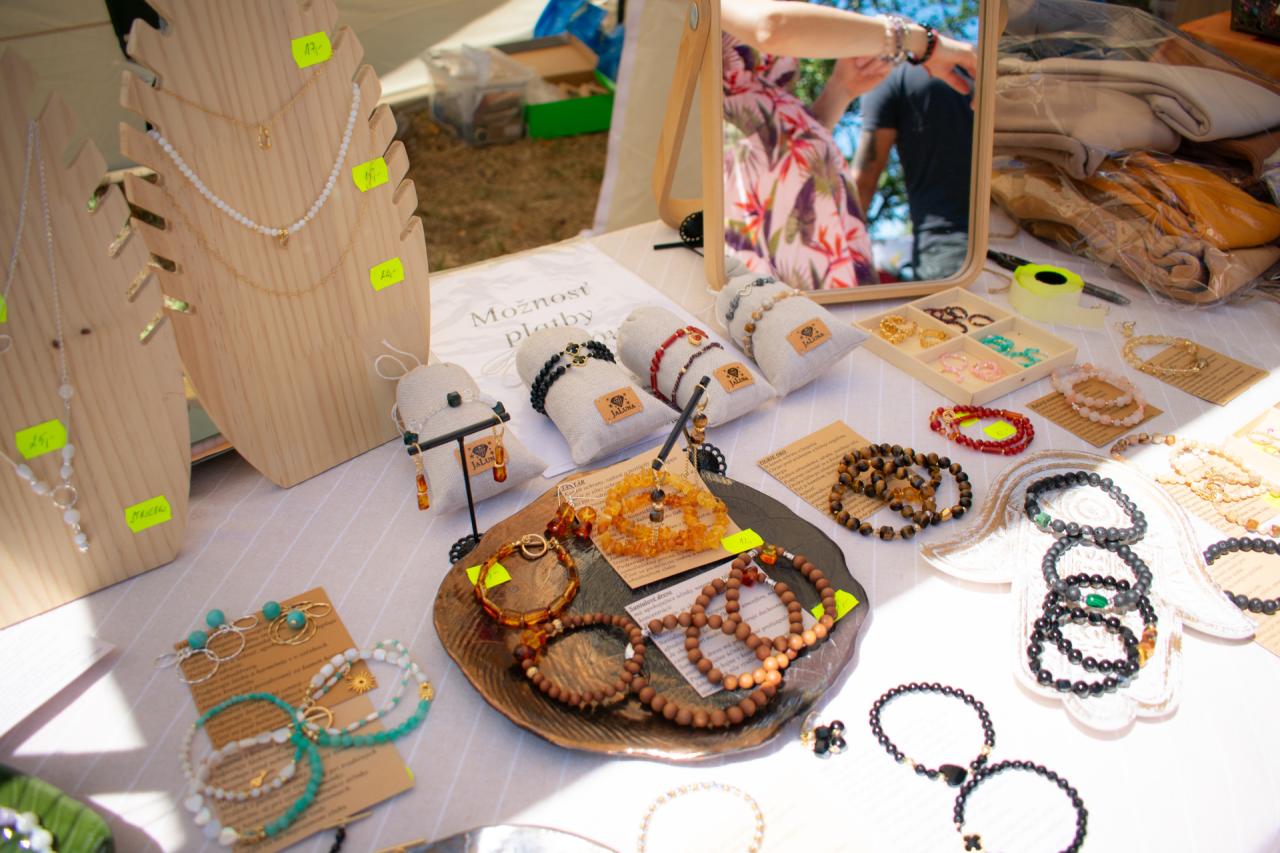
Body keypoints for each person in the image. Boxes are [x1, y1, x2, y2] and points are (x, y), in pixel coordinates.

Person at [721, 0, 977, 289]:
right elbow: (770, 27)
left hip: (805, 215)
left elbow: (771, 129)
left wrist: (841, 89)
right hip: (744, 199)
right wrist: (919, 42)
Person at [854, 62, 975, 281]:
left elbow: (862, 184)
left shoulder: (888, 75)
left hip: (945, 250)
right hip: (1015, 243)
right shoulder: (976, 66)